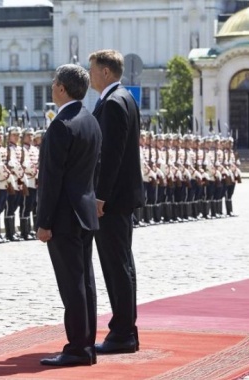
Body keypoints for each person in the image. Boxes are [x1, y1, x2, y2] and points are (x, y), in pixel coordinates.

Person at [37, 63, 101, 367]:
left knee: (72, 283)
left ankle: (77, 348)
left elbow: (51, 179)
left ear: (62, 88)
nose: (52, 87)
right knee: (85, 281)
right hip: (85, 212)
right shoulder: (89, 121)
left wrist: (43, 222)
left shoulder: (61, 125)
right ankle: (86, 344)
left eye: (53, 83)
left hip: (64, 216)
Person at [89, 49, 144, 354]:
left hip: (112, 200)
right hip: (122, 197)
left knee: (116, 265)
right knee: (122, 264)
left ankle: (122, 333)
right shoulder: (124, 98)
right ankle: (126, 330)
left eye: (92, 69)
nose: (90, 75)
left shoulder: (111, 103)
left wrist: (100, 196)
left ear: (106, 72)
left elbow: (110, 156)